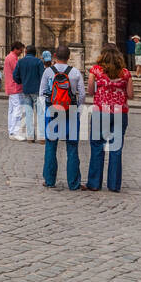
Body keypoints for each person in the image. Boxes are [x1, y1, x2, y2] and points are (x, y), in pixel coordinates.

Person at [85, 45, 132, 192]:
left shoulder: (96, 70)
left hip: (101, 110)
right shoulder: (125, 73)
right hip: (119, 111)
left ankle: (94, 183)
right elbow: (130, 94)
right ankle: (114, 184)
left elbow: (90, 91)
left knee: (97, 146)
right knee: (116, 148)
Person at [40, 45, 84, 190]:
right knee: (72, 147)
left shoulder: (48, 71)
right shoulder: (75, 72)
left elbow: (42, 93)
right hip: (70, 110)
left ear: (54, 55)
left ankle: (49, 180)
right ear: (69, 56)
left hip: (52, 110)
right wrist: (78, 110)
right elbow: (82, 94)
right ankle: (73, 183)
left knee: (51, 146)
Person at [15, 46, 46, 143]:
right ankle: (41, 137)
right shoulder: (38, 62)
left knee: (28, 114)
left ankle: (30, 137)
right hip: (37, 90)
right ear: (35, 53)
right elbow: (43, 76)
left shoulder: (20, 62)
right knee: (40, 114)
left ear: (26, 51)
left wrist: (22, 81)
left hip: (26, 90)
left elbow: (15, 76)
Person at [4, 41, 25, 138]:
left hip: (10, 86)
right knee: (17, 109)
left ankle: (11, 130)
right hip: (15, 86)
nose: (21, 52)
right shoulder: (13, 58)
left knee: (12, 110)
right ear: (16, 49)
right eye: (20, 50)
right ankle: (15, 131)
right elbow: (18, 72)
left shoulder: (9, 57)